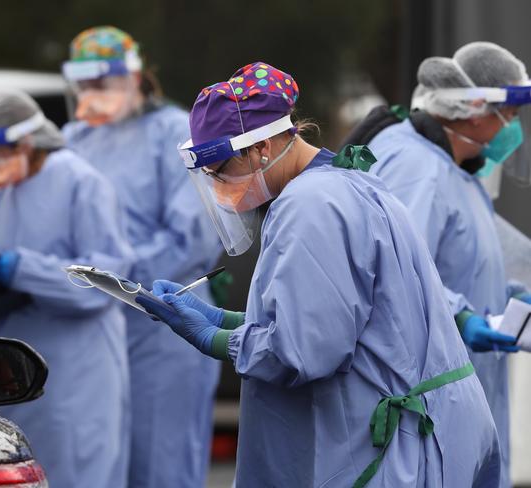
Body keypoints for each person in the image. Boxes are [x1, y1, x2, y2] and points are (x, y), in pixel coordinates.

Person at [137, 62, 501, 487]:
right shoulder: (342, 183)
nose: (219, 189)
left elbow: (303, 351)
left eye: (221, 172)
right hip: (423, 434)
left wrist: (213, 337)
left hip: (392, 451)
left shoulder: (310, 206)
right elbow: (336, 320)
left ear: (261, 149)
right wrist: (219, 317)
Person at [364, 42, 531, 488]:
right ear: (477, 110)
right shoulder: (416, 166)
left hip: (465, 391)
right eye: (511, 116)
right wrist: (460, 315)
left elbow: (459, 261)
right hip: (430, 400)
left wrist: (508, 295)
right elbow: (396, 271)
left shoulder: (459, 171)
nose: (514, 130)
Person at [62, 26, 222, 488]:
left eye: (104, 82)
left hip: (162, 320)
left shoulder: (174, 132)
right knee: (97, 460)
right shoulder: (73, 139)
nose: (94, 95)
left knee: (162, 460)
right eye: (85, 84)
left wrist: (115, 276)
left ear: (136, 77)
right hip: (94, 325)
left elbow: (192, 237)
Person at [0, 89, 134, 488]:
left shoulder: (82, 182)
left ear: (27, 142)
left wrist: (23, 269)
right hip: (20, 363)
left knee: (77, 469)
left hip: (78, 367)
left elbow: (105, 281)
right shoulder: (9, 191)